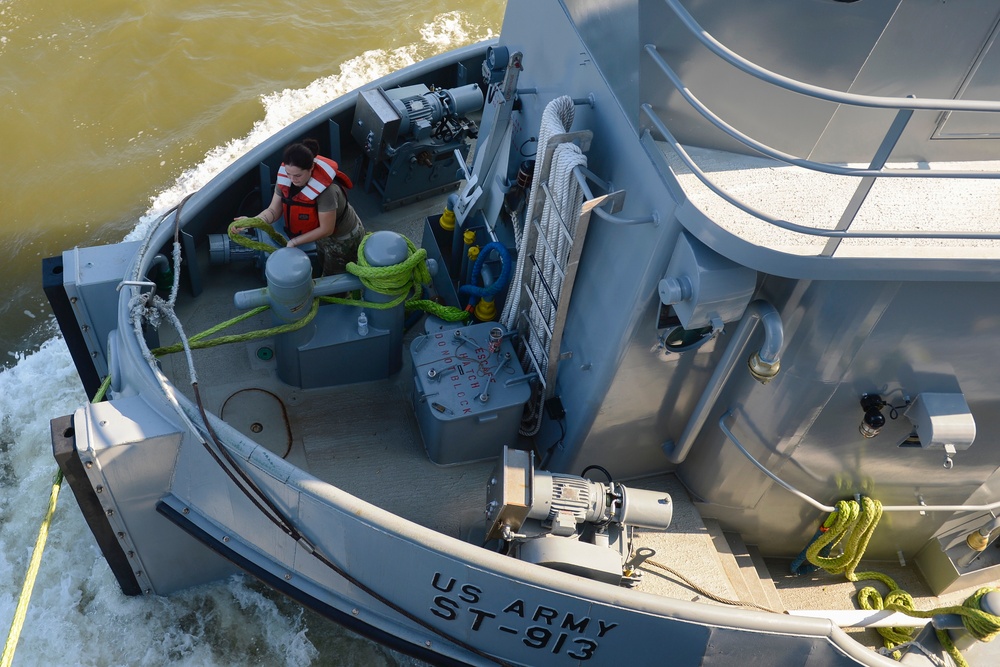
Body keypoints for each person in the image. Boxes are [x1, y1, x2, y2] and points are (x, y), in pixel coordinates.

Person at [238, 138, 365, 276]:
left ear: (311, 168)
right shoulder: (286, 181)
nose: (292, 180)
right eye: (288, 174)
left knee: (335, 275)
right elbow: (273, 211)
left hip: (343, 238)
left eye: (298, 175)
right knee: (323, 262)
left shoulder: (327, 192)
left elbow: (326, 229)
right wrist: (252, 222)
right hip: (321, 237)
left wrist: (294, 242)